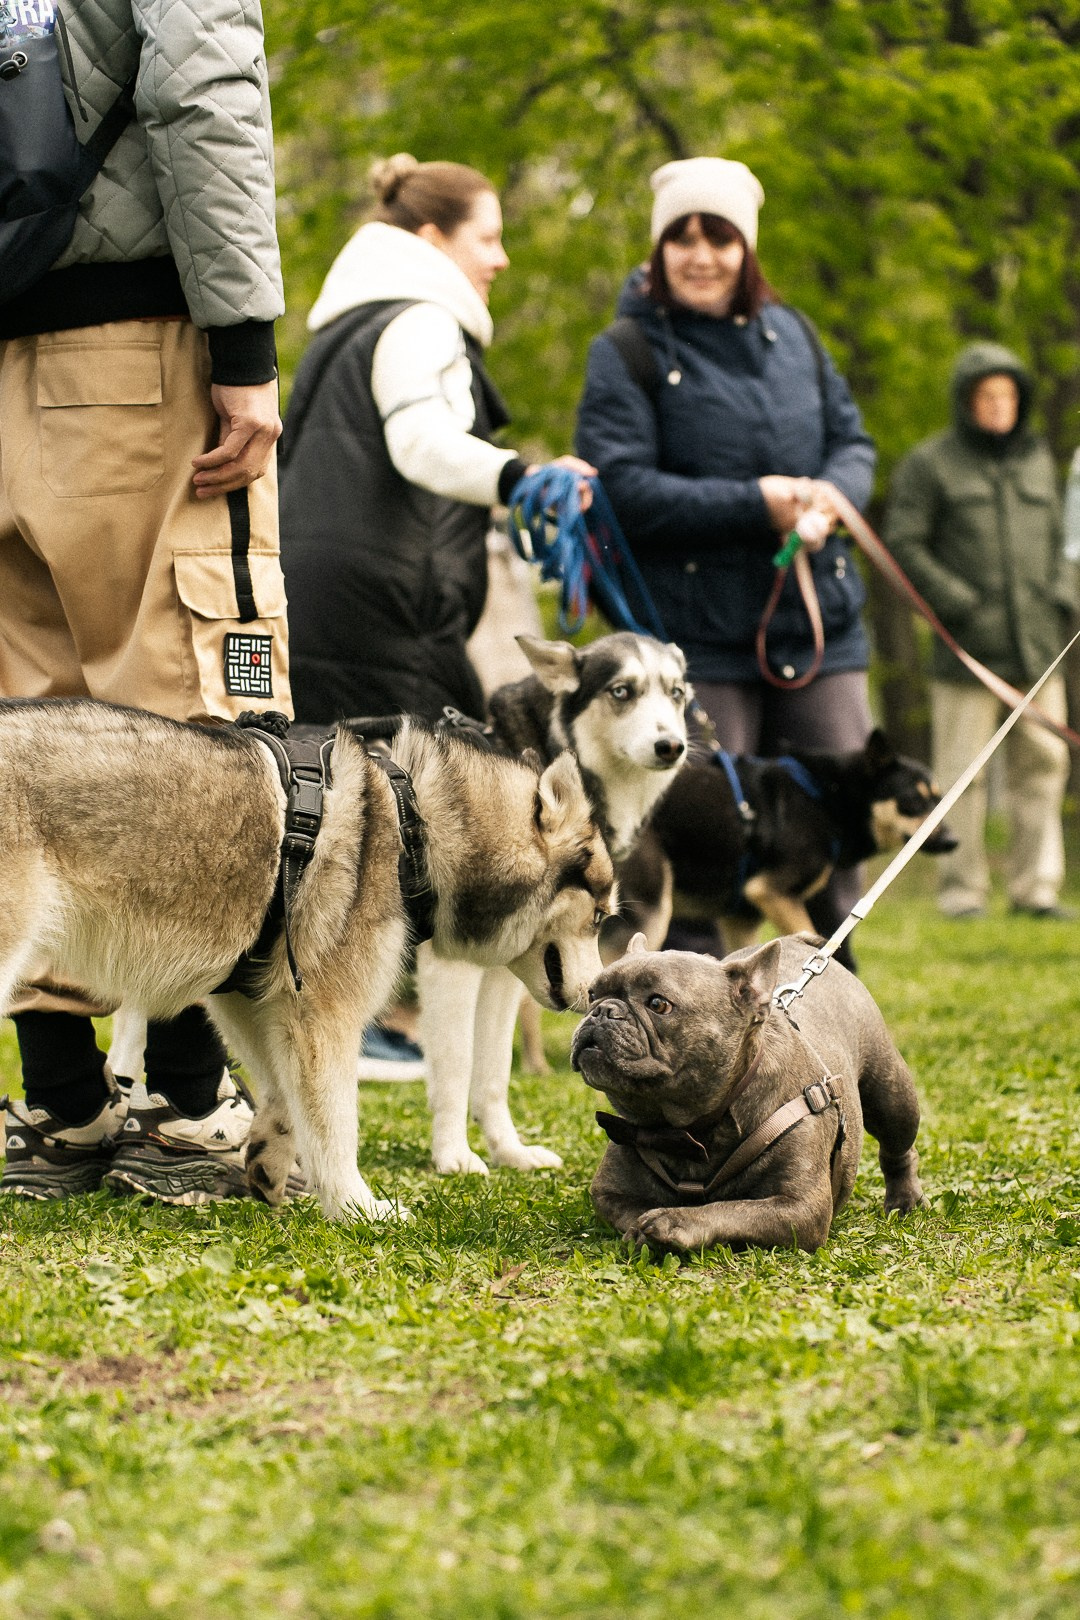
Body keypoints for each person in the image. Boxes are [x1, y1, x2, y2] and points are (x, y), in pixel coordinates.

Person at [0, 0, 289, 1201]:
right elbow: (203, 98)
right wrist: (244, 352)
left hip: (5, 367)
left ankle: (63, 1108)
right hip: (133, 351)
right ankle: (185, 1109)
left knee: (27, 725)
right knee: (199, 720)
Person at [279, 153, 593, 1077]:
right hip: (387, 605)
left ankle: (357, 1016)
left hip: (334, 593)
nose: (498, 260)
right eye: (486, 239)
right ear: (431, 241)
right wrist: (520, 477)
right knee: (399, 819)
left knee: (332, 804)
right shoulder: (421, 320)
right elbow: (421, 443)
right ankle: (363, 1021)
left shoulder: (349, 324)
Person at [574, 156, 876, 951]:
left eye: (719, 237)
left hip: (818, 627)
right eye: (683, 237)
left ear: (747, 248)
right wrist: (758, 504)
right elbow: (625, 489)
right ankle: (698, 1035)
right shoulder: (626, 351)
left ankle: (835, 1003)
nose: (702, 254)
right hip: (697, 635)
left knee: (836, 823)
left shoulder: (797, 337)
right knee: (705, 832)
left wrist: (828, 498)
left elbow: (853, 441)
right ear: (659, 248)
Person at [885, 343, 1077, 920]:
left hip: (1038, 648)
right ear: (967, 402)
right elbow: (904, 543)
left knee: (1045, 766)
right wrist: (954, 603)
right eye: (988, 395)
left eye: (1010, 394)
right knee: (962, 775)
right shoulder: (931, 464)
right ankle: (962, 893)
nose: (1000, 405)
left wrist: (1065, 595)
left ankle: (1036, 890)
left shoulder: (1039, 460)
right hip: (966, 652)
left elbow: (1069, 540)